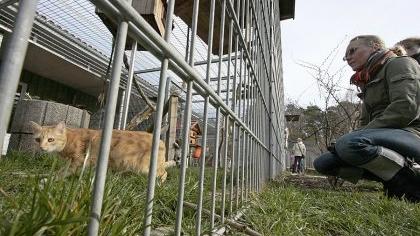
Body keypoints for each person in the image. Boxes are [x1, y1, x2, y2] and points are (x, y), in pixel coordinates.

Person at [313, 35, 420, 202]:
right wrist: (349, 139)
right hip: (387, 135)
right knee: (324, 163)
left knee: (349, 144)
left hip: (411, 133)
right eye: (345, 55)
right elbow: (365, 122)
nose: (348, 57)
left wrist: (356, 136)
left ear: (375, 46)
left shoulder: (400, 63)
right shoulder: (368, 78)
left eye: (352, 51)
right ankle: (393, 179)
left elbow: (405, 108)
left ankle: (411, 183)